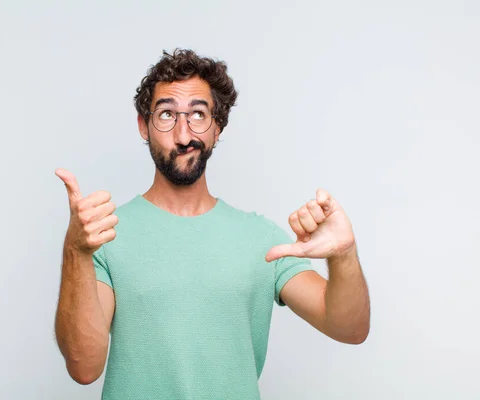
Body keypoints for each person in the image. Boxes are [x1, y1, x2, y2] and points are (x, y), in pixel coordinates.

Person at [54, 48, 370, 400]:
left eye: (199, 115)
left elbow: (350, 328)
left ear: (218, 127)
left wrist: (343, 255)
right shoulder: (105, 235)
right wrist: (76, 251)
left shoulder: (262, 239)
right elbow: (84, 368)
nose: (183, 133)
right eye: (166, 114)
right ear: (143, 124)